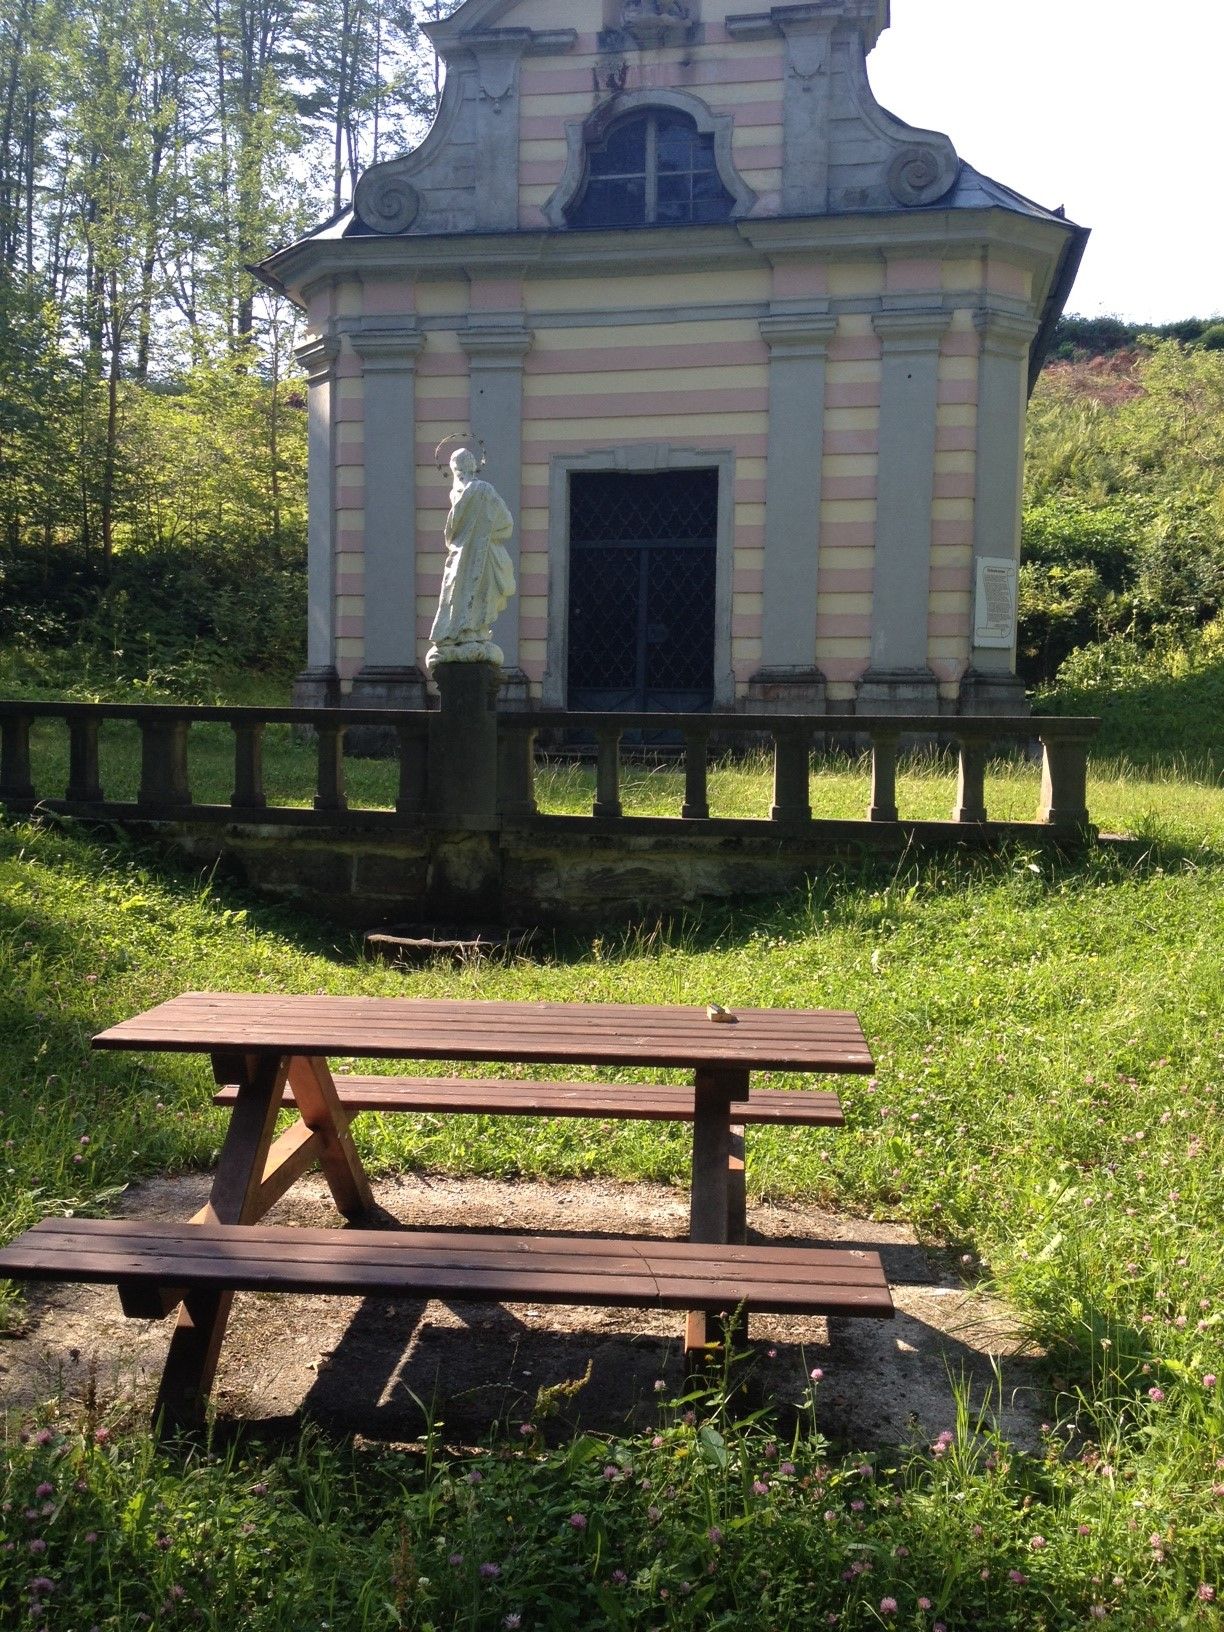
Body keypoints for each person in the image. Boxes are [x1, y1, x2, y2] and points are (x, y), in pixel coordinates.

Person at [426, 448, 516, 668]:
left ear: (455, 470)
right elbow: (506, 525)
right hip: (480, 557)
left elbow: (451, 533)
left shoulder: (465, 493)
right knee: (477, 593)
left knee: (457, 592)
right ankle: (471, 632)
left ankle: (462, 632)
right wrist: (486, 534)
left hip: (463, 559)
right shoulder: (484, 490)